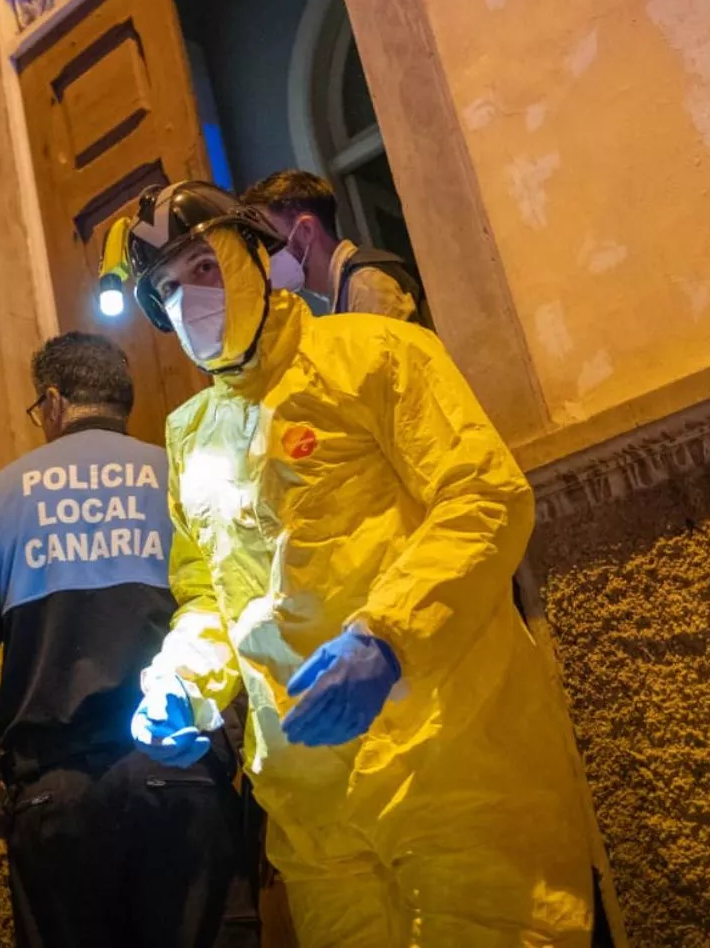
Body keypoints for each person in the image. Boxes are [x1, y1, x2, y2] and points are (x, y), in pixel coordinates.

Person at [121, 181, 596, 947]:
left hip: (453, 761)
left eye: (203, 267)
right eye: (167, 289)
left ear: (251, 256)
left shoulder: (378, 354)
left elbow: (483, 497)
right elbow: (208, 592)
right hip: (313, 812)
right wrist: (185, 677)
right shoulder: (191, 435)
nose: (188, 301)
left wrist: (389, 638)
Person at [0, 332, 257, 948]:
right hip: (183, 781)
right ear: (122, 402)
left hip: (56, 803)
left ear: (55, 402)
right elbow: (244, 618)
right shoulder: (177, 476)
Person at [240, 169, 428, 326]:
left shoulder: (366, 285)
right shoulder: (346, 291)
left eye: (268, 239)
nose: (263, 254)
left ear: (306, 230)